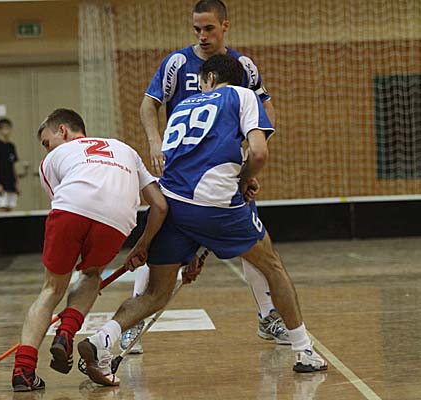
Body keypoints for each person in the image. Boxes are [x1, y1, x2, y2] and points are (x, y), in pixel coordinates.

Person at [78, 55, 327, 387]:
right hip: (215, 205)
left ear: (209, 78)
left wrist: (192, 245)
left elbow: (189, 161)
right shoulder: (243, 95)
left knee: (155, 294)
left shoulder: (183, 105)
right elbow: (259, 152)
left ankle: (101, 339)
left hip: (170, 202)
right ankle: (303, 350)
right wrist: (244, 179)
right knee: (272, 267)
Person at [121, 0, 286, 354]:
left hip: (222, 173)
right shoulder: (177, 63)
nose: (202, 36)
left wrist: (248, 153)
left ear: (225, 26)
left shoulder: (241, 66)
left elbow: (265, 106)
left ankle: (267, 316)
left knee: (252, 241)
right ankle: (131, 325)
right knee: (157, 240)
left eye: (209, 28)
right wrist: (154, 142)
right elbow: (149, 103)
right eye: (197, 29)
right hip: (181, 172)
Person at [11, 108, 168, 391]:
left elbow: (67, 204)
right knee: (91, 274)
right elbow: (160, 206)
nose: (47, 149)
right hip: (118, 219)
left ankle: (23, 370)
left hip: (72, 207)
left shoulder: (51, 160)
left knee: (51, 289)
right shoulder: (126, 150)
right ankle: (66, 332)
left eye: (47, 142)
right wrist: (142, 245)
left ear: (62, 131)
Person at [0, 118, 20, 211]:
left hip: (11, 183)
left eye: (8, 128)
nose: (6, 131)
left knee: (11, 208)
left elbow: (14, 166)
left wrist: (17, 183)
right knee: (2, 208)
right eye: (4, 128)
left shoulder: (11, 146)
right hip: (1, 183)